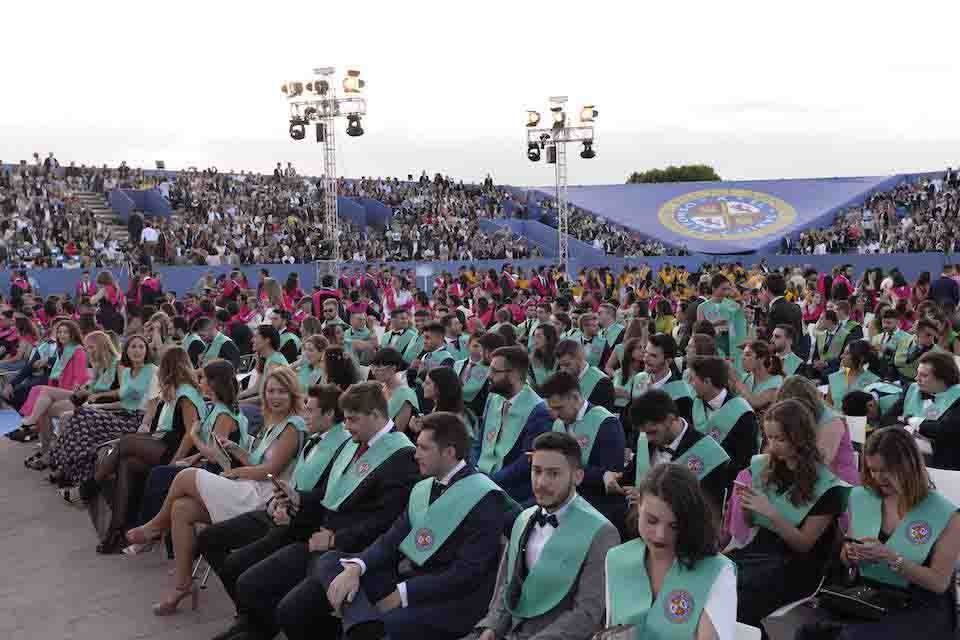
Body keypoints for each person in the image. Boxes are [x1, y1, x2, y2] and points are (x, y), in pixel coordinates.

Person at [219, 382, 419, 640]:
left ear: (376, 415)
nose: (346, 426)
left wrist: (336, 539)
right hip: (319, 539)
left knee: (292, 611)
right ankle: (257, 630)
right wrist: (297, 499)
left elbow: (386, 522)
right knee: (250, 583)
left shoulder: (401, 457)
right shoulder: (356, 442)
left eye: (352, 419)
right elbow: (328, 494)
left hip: (353, 553)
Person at [314, 412, 510, 640]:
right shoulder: (425, 486)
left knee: (386, 622)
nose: (416, 455)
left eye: (424, 448)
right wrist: (357, 567)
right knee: (332, 563)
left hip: (451, 600)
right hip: (410, 580)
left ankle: (363, 626)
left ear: (449, 452)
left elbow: (466, 573)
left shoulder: (484, 497)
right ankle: (363, 626)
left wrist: (403, 594)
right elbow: (391, 540)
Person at [126, 366, 305, 616]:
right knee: (182, 509)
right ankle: (182, 586)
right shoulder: (274, 423)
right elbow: (257, 463)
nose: (275, 397)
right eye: (271, 391)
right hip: (251, 486)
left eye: (281, 392)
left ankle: (155, 526)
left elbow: (271, 471)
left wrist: (237, 472)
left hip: (266, 496)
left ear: (293, 394)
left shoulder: (293, 426)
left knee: (186, 476)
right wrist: (236, 450)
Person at [768, 427, 960, 640]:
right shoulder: (863, 498)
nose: (879, 478)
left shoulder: (947, 515)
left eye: (886, 470)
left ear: (908, 466)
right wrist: (850, 554)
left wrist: (890, 558)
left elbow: (939, 583)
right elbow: (847, 554)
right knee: (810, 631)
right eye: (872, 470)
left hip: (920, 604)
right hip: (870, 594)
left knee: (852, 637)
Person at [194, 384, 350, 610]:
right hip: (276, 507)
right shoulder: (315, 438)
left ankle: (256, 620)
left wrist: (288, 506)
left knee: (238, 566)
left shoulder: (341, 446)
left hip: (297, 523)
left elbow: (323, 497)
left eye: (310, 410)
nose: (304, 414)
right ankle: (250, 612)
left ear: (328, 414)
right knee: (208, 538)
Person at [464, 432, 620, 640]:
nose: (541, 482)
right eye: (536, 471)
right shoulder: (523, 518)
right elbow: (506, 586)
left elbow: (587, 614)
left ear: (577, 476)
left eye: (553, 474)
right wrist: (491, 628)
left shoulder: (601, 532)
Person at [729, 399, 851, 627]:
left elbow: (803, 545)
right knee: (715, 583)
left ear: (800, 438)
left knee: (737, 603)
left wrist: (771, 512)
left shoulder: (829, 486)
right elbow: (752, 524)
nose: (772, 445)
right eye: (769, 438)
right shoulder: (766, 468)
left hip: (797, 567)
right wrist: (746, 505)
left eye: (780, 439)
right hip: (760, 553)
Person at [90, 347, 207, 553]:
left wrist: (175, 461)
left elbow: (190, 433)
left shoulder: (187, 393)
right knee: (127, 464)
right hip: (166, 443)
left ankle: (90, 485)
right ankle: (118, 531)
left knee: (126, 443)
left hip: (179, 451)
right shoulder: (177, 390)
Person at [605, 463, 737, 640]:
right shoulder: (617, 558)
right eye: (651, 521)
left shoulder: (716, 571)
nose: (661, 536)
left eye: (674, 526)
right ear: (638, 506)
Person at [135, 359, 247, 537]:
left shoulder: (224, 415)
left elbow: (215, 456)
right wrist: (190, 459)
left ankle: (151, 531)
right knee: (162, 472)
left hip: (219, 474)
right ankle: (154, 531)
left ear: (213, 384)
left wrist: (194, 436)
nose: (198, 381)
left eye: (202, 378)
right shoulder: (218, 408)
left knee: (160, 475)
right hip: (209, 465)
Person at [47, 334, 160, 494]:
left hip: (138, 419)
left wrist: (145, 424)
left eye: (141, 347)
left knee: (84, 417)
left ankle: (67, 470)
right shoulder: (127, 372)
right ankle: (69, 469)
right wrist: (100, 407)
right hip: (122, 413)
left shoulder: (153, 371)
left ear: (146, 350)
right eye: (133, 347)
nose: (137, 351)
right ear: (126, 350)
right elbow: (123, 402)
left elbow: (152, 404)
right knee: (83, 413)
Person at [615, 389, 731, 522]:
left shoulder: (708, 454)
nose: (648, 439)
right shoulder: (647, 441)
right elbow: (629, 479)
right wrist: (611, 478)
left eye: (652, 432)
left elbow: (706, 513)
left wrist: (647, 498)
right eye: (645, 433)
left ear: (670, 419)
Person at [541, 371, 626, 530]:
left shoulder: (606, 423)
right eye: (552, 409)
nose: (556, 415)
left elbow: (611, 475)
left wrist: (565, 471)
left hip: (594, 503)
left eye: (559, 408)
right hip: (561, 496)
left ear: (575, 397)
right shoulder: (560, 424)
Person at [22, 330, 118, 469]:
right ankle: (45, 449)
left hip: (96, 403)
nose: (88, 351)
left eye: (91, 347)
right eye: (87, 348)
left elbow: (104, 390)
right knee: (44, 403)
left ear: (102, 346)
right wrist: (86, 388)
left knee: (54, 407)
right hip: (85, 398)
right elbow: (92, 387)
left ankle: (50, 454)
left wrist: (87, 389)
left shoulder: (115, 363)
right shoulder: (97, 363)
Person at [473, 346, 553, 503]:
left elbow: (526, 462)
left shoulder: (538, 411)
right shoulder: (493, 398)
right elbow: (479, 441)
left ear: (515, 374)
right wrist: (473, 469)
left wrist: (489, 481)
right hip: (480, 480)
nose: (488, 375)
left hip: (510, 491)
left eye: (495, 371)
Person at [687, 356, 758, 477]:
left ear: (707, 382)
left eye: (693, 380)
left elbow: (746, 461)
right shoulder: (694, 405)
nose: (690, 384)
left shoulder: (742, 413)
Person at [913, 352, 960, 470]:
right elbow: (889, 418)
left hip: (947, 466)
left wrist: (913, 421)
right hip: (913, 458)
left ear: (942, 378)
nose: (916, 379)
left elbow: (944, 430)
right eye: (917, 374)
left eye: (923, 375)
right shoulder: (913, 390)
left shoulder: (957, 398)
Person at [555, 338, 616, 412]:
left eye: (567, 365)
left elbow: (603, 418)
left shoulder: (603, 383)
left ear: (580, 358)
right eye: (561, 365)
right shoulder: (562, 377)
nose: (563, 370)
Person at [370, 348, 419, 434]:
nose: (374, 372)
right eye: (373, 366)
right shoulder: (381, 388)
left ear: (393, 368)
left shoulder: (406, 395)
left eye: (379, 366)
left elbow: (398, 433)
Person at [731, 340, 784, 414]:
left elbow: (755, 402)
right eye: (743, 354)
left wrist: (736, 380)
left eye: (748, 355)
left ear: (761, 359)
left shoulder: (777, 381)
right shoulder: (745, 378)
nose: (742, 358)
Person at [827, 340, 879, 408]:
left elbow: (874, 412)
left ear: (861, 358)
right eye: (843, 353)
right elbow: (828, 406)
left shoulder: (874, 381)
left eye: (847, 353)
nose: (841, 356)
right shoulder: (834, 378)